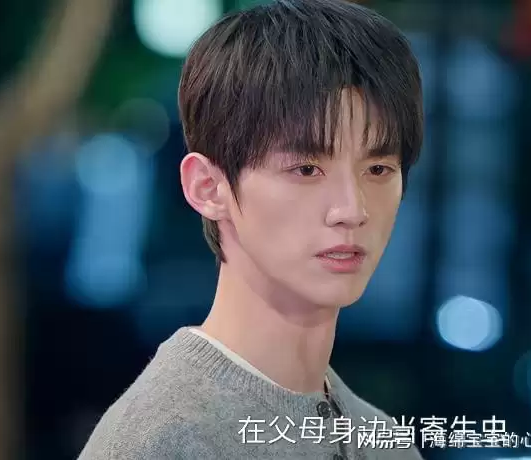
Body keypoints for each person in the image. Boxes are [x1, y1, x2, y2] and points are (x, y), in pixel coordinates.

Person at [79, 0, 424, 458]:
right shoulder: (161, 441)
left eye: (378, 169)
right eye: (306, 169)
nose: (351, 209)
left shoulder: (384, 441)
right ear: (207, 187)